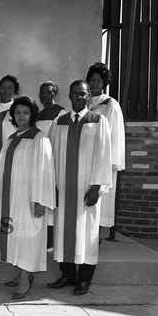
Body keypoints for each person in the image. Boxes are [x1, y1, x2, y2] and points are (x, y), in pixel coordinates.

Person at [48, 80, 112, 296]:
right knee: (63, 232)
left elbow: (103, 155)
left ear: (88, 96)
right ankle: (68, 274)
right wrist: (51, 186)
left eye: (83, 94)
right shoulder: (59, 122)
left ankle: (84, 279)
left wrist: (97, 187)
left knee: (88, 233)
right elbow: (51, 157)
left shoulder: (98, 121)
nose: (79, 97)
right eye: (75, 93)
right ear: (69, 94)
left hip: (87, 189)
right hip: (63, 189)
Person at [0, 96, 55, 300]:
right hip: (12, 196)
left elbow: (45, 170)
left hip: (30, 197)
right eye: (17, 112)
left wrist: (40, 199)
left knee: (29, 236)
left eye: (25, 112)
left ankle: (24, 277)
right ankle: (22, 272)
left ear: (32, 115)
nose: (21, 116)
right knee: (17, 236)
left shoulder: (39, 138)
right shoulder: (12, 138)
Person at [86, 63, 125, 238]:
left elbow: (114, 135)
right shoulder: (83, 101)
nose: (94, 84)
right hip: (86, 157)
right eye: (92, 80)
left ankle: (97, 237)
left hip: (103, 158)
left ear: (104, 83)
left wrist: (111, 162)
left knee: (101, 200)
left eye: (98, 81)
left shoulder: (110, 104)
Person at [35, 81, 66, 252]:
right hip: (41, 160)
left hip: (53, 160)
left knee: (51, 200)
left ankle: (51, 240)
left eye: (48, 92)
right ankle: (43, 238)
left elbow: (60, 139)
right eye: (42, 92)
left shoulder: (60, 113)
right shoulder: (40, 114)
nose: (45, 95)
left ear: (55, 94)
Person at [0, 75, 19, 154]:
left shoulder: (18, 110)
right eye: (2, 87)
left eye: (10, 88)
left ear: (15, 91)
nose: (6, 90)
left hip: (13, 151)